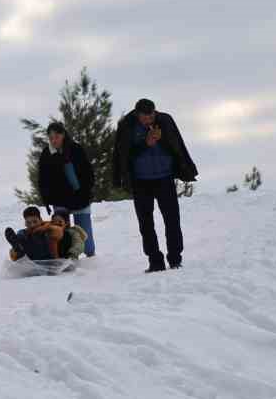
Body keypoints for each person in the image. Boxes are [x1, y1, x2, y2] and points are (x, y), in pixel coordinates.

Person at [112, 98, 199, 272]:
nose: (149, 120)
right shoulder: (127, 126)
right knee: (146, 224)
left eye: (151, 116)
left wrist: (162, 139)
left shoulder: (165, 120)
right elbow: (123, 155)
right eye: (145, 117)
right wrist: (146, 144)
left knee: (172, 220)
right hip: (140, 181)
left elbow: (177, 146)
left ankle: (175, 259)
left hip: (165, 178)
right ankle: (155, 261)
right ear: (138, 115)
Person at [37, 122, 96, 257]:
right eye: (50, 137)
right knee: (61, 234)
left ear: (63, 135)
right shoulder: (47, 154)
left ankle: (91, 260)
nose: (54, 140)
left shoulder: (75, 149)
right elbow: (43, 179)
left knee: (86, 239)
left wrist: (87, 190)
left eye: (56, 136)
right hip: (60, 200)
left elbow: (88, 172)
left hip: (80, 197)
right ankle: (67, 257)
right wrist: (46, 199)